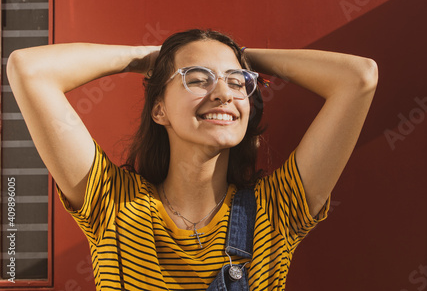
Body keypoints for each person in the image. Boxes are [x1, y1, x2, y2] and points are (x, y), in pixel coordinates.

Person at [7, 29, 378, 290]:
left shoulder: (277, 210)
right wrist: (144, 58)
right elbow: (29, 69)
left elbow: (359, 78)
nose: (223, 93)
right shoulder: (112, 203)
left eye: (237, 83)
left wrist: (246, 60)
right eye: (197, 79)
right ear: (159, 110)